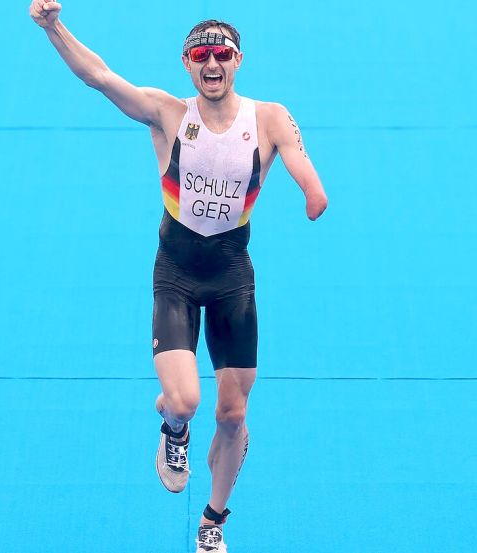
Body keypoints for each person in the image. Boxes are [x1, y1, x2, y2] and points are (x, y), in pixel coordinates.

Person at [29, 3, 327, 551]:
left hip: (233, 276)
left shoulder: (270, 119)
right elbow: (99, 76)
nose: (212, 63)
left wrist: (312, 191)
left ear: (238, 61)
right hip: (178, 275)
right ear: (187, 65)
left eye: (222, 54)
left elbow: (302, 164)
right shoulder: (168, 114)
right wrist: (53, 27)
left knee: (234, 414)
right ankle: (173, 429)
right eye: (201, 55)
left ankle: (213, 520)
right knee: (186, 400)